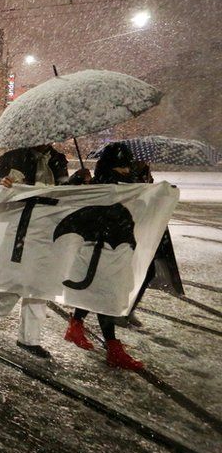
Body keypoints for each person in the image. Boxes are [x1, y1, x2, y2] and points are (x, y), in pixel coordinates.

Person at [0, 143, 91, 358]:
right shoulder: (13, 156)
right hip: (21, 227)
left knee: (42, 282)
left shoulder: (58, 160)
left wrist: (78, 179)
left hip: (49, 228)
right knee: (19, 279)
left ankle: (29, 339)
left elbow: (63, 191)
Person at [63, 142, 145, 370]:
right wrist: (80, 181)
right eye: (122, 166)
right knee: (104, 295)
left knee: (96, 291)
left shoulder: (126, 183)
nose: (126, 170)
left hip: (115, 248)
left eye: (127, 166)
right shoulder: (102, 184)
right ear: (111, 166)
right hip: (100, 248)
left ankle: (76, 326)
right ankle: (112, 348)